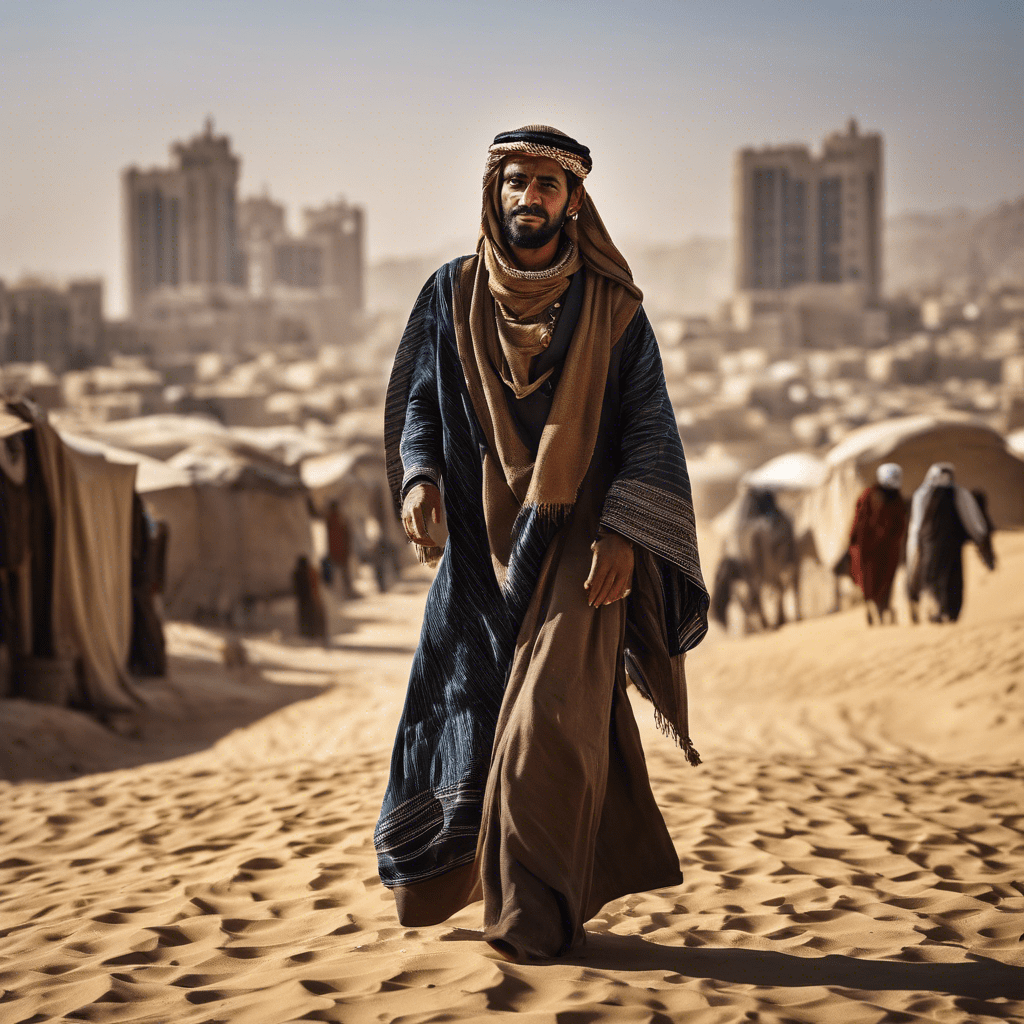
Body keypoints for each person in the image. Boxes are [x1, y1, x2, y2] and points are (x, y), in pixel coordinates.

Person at [374, 125, 708, 962]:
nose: (531, 197)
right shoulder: (449, 294)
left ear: (574, 201)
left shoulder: (614, 309)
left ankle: (531, 924)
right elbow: (419, 402)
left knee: (546, 728)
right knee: (471, 717)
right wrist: (419, 478)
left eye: (548, 186)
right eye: (516, 181)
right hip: (484, 552)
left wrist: (628, 532)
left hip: (584, 547)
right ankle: (490, 895)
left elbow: (648, 428)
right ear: (496, 192)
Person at [906, 462, 995, 623]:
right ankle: (940, 613)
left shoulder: (957, 494)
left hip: (944, 548)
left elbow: (972, 520)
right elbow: (973, 521)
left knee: (948, 581)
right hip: (933, 547)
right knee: (937, 581)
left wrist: (980, 538)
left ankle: (947, 614)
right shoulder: (926, 495)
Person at [848, 462, 908, 625]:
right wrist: (855, 543)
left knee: (886, 584)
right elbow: (859, 522)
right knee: (870, 584)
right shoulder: (868, 495)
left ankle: (883, 611)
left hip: (888, 550)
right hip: (869, 551)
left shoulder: (896, 498)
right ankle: (874, 611)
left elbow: (899, 524)